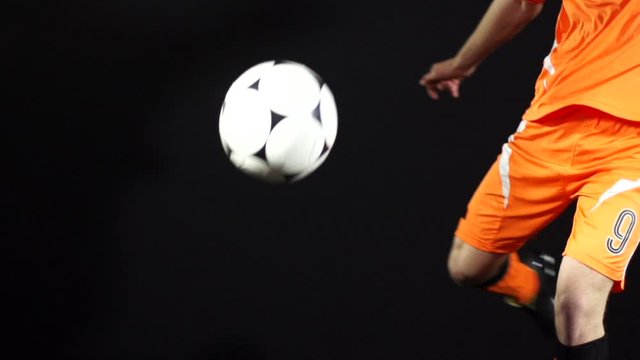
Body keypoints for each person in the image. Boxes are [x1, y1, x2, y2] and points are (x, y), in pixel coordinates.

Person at [419, 0, 640, 359]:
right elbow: (521, 4)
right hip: (553, 121)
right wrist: (462, 63)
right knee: (467, 265)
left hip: (631, 144)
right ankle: (536, 286)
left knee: (578, 299)